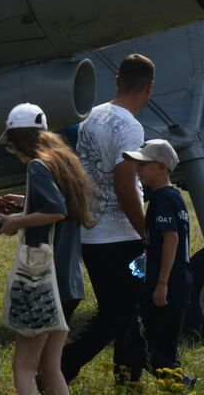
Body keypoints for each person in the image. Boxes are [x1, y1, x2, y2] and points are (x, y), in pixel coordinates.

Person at [61, 54, 155, 384]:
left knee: (126, 311)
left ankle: (128, 377)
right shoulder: (131, 126)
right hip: (123, 237)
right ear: (149, 88)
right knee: (117, 314)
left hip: (92, 234)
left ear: (117, 80)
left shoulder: (91, 118)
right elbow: (126, 183)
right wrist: (146, 231)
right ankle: (62, 366)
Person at [0, 102, 93, 395]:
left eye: (12, 146)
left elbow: (55, 210)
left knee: (23, 367)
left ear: (20, 140)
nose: (14, 152)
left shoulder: (38, 166)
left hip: (43, 281)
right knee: (50, 368)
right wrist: (25, 200)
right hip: (69, 283)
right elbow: (60, 207)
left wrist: (15, 221)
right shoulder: (62, 161)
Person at [121, 140, 193, 383]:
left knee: (134, 346)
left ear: (161, 167)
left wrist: (161, 283)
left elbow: (171, 238)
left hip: (165, 284)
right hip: (181, 284)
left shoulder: (161, 199)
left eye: (143, 165)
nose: (138, 170)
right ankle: (174, 383)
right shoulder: (176, 197)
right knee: (166, 349)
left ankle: (181, 381)